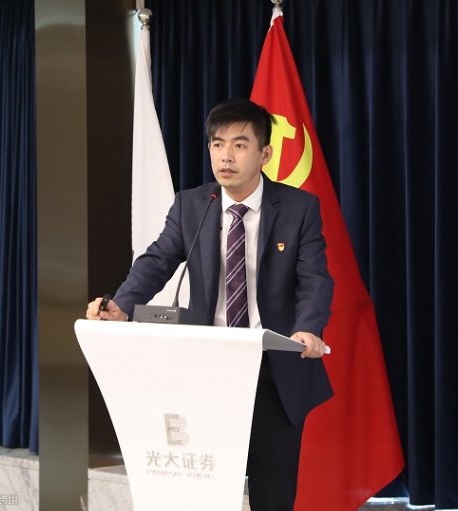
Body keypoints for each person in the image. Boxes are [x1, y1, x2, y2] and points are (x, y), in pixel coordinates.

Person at [86, 97, 334, 510]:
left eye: (239, 145)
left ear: (265, 154)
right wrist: (123, 305)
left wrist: (307, 328)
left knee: (273, 494)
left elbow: (315, 281)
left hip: (272, 371)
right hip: (206, 370)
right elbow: (156, 261)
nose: (226, 156)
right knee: (204, 490)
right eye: (218, 144)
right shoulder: (192, 205)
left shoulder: (298, 208)